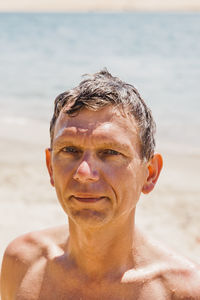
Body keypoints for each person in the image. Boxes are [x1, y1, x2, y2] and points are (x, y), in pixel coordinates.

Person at [1, 70, 200, 300]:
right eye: (69, 150)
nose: (84, 173)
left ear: (150, 173)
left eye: (110, 152)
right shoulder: (23, 263)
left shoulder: (183, 290)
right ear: (50, 167)